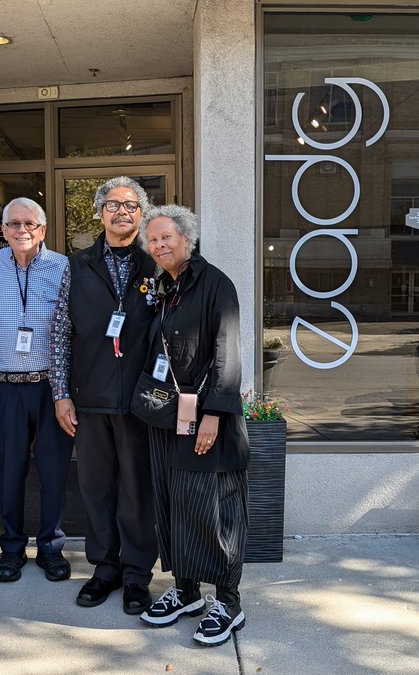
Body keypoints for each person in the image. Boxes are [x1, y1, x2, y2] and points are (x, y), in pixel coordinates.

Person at [135, 205, 250, 646]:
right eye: (154, 240)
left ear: (187, 239)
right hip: (169, 418)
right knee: (173, 505)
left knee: (216, 512)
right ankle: (186, 591)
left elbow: (228, 352)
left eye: (167, 237)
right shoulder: (166, 288)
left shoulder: (215, 284)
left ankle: (228, 601)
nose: (160, 245)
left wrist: (215, 415)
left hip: (208, 419)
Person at [50, 177, 158, 614]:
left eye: (131, 206)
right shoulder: (75, 266)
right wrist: (61, 393)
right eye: (113, 204)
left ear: (141, 214)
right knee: (96, 487)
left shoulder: (155, 264)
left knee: (137, 490)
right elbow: (60, 333)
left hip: (140, 401)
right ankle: (105, 569)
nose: (122, 212)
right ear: (99, 213)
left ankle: (136, 575)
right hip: (89, 397)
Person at [0, 197, 74, 583]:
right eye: (14, 224)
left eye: (30, 224)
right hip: (5, 390)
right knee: (10, 472)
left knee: (53, 472)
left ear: (43, 230)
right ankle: (12, 548)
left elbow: (73, 329)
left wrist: (67, 391)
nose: (22, 230)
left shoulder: (63, 267)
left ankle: (51, 548)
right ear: (3, 230)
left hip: (51, 387)